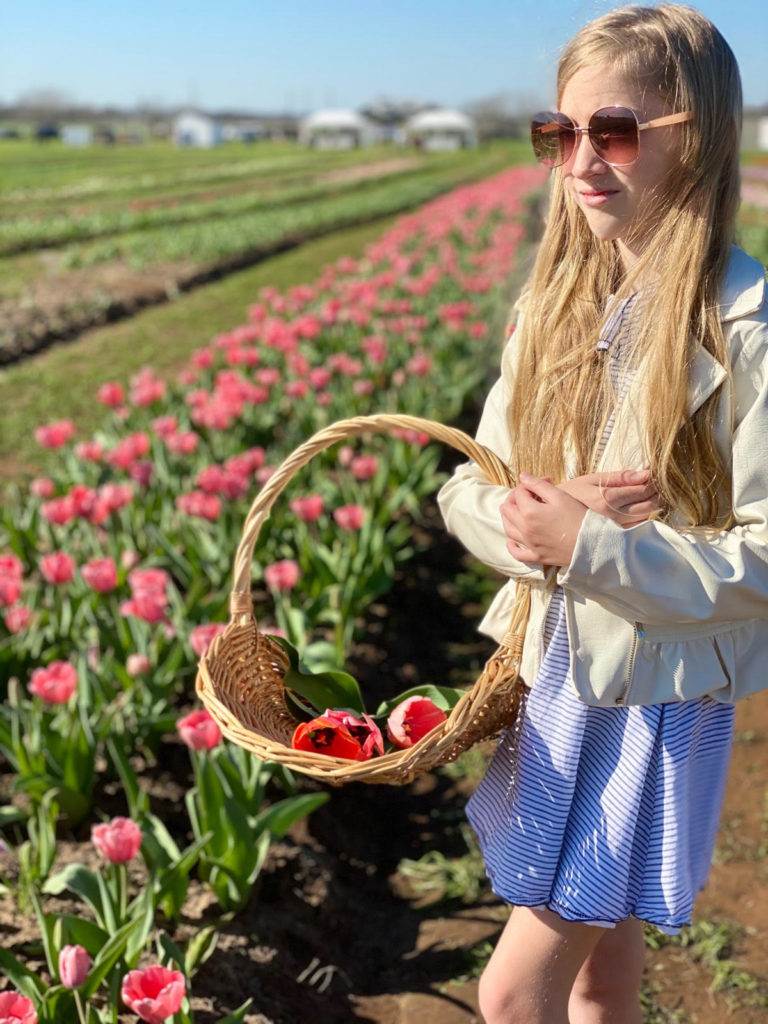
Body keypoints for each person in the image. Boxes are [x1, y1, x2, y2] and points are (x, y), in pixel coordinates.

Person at [437, 5, 768, 1023]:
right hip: (557, 679)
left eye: (615, 131)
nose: (582, 160)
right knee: (596, 973)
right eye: (559, 133)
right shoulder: (554, 312)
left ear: (697, 137)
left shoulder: (746, 332)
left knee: (509, 993)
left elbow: (759, 558)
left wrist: (595, 546)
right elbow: (466, 487)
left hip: (653, 700)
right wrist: (541, 522)